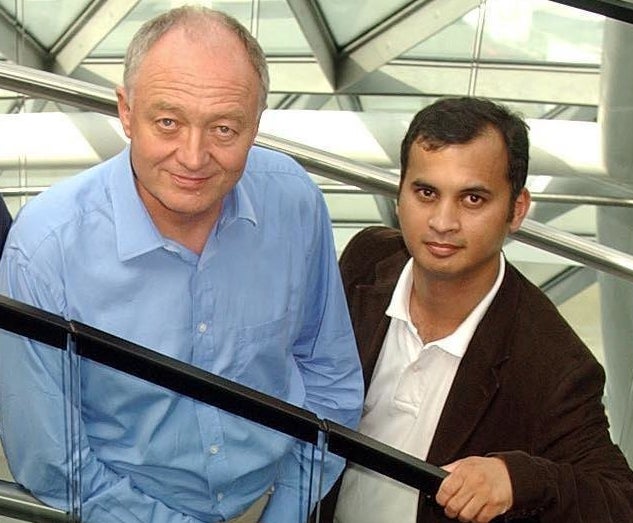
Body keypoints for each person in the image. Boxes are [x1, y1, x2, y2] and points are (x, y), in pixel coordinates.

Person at [0, 6, 363, 523]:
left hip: (269, 503)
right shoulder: (46, 248)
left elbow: (330, 378)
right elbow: (53, 459)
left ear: (257, 125)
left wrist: (286, 511)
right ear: (125, 112)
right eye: (168, 122)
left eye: (223, 129)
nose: (193, 158)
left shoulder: (294, 203)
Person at [326, 97, 633, 523]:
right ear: (399, 194)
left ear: (517, 210)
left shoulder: (553, 363)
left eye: (472, 199)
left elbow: (618, 499)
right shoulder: (367, 260)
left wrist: (516, 478)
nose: (442, 221)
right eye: (426, 192)